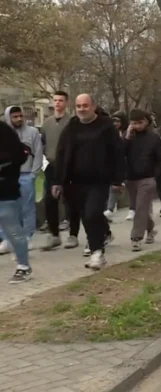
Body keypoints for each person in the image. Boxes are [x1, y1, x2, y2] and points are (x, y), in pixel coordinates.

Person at [52, 94, 125, 270]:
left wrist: (117, 180)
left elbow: (117, 153)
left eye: (85, 106)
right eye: (78, 106)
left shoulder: (106, 126)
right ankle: (104, 234)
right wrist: (57, 181)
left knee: (92, 213)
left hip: (99, 180)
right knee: (87, 215)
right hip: (75, 182)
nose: (82, 109)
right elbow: (61, 154)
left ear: (94, 106)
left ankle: (96, 252)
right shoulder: (72, 127)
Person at [0, 106, 42, 255]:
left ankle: (27, 237)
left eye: (20, 116)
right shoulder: (4, 133)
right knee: (6, 210)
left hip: (26, 174)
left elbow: (38, 153)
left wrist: (33, 174)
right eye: (15, 117)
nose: (18, 119)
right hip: (6, 178)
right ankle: (6, 239)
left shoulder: (33, 132)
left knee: (27, 208)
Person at [39, 91, 76, 249]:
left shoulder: (72, 122)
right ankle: (54, 234)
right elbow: (42, 143)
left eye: (61, 100)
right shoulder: (46, 123)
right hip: (52, 165)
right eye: (55, 100)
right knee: (50, 200)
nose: (57, 103)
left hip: (70, 166)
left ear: (66, 103)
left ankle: (73, 234)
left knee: (71, 201)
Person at [124, 109, 161, 252]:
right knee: (141, 208)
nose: (137, 126)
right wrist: (127, 137)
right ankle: (150, 229)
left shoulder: (154, 137)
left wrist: (156, 175)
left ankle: (136, 238)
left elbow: (160, 158)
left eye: (140, 123)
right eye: (134, 123)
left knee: (140, 206)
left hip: (147, 178)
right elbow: (120, 153)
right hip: (131, 178)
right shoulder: (128, 138)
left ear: (146, 122)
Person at [0, 119, 32, 283]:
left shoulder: (4, 131)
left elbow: (17, 156)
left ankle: (23, 266)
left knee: (13, 231)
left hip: (5, 191)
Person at [104, 111, 129, 221]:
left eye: (118, 121)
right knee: (111, 187)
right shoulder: (109, 133)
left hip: (125, 163)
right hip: (112, 164)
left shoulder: (126, 133)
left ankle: (132, 209)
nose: (115, 123)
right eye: (113, 121)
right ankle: (109, 209)